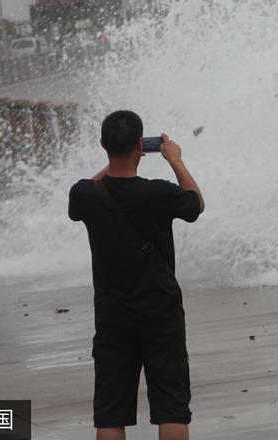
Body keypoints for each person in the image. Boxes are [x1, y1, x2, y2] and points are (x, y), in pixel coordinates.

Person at [68, 110, 205, 440]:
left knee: (111, 414)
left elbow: (94, 186)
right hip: (160, 309)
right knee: (171, 409)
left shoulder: (84, 195)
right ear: (141, 148)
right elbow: (196, 204)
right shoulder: (158, 193)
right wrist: (175, 160)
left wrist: (114, 162)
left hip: (113, 313)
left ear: (102, 144)